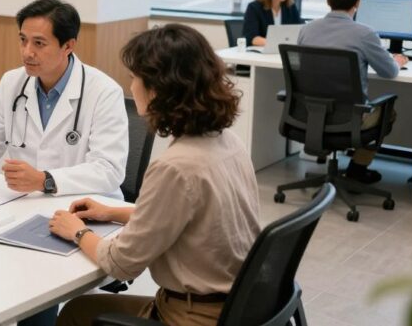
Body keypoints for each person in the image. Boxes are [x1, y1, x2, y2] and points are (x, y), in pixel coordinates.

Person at [50, 24, 260, 326]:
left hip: (191, 316)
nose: (131, 86)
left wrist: (77, 231)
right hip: (238, 305)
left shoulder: (174, 167)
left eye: (135, 78)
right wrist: (112, 212)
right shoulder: (228, 142)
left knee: (75, 313)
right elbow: (191, 219)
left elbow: (120, 263)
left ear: (157, 89)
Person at [0, 0, 128, 326]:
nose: (27, 52)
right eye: (23, 40)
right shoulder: (14, 83)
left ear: (69, 45)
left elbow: (109, 170)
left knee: (33, 288)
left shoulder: (102, 92)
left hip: (83, 215)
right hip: (20, 210)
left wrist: (45, 180)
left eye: (39, 43)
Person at [298, 0, 407, 184]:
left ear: (328, 1)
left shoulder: (307, 29)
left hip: (311, 115)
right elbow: (389, 71)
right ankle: (357, 169)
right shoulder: (364, 34)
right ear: (357, 3)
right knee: (388, 112)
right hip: (350, 120)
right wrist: (398, 61)